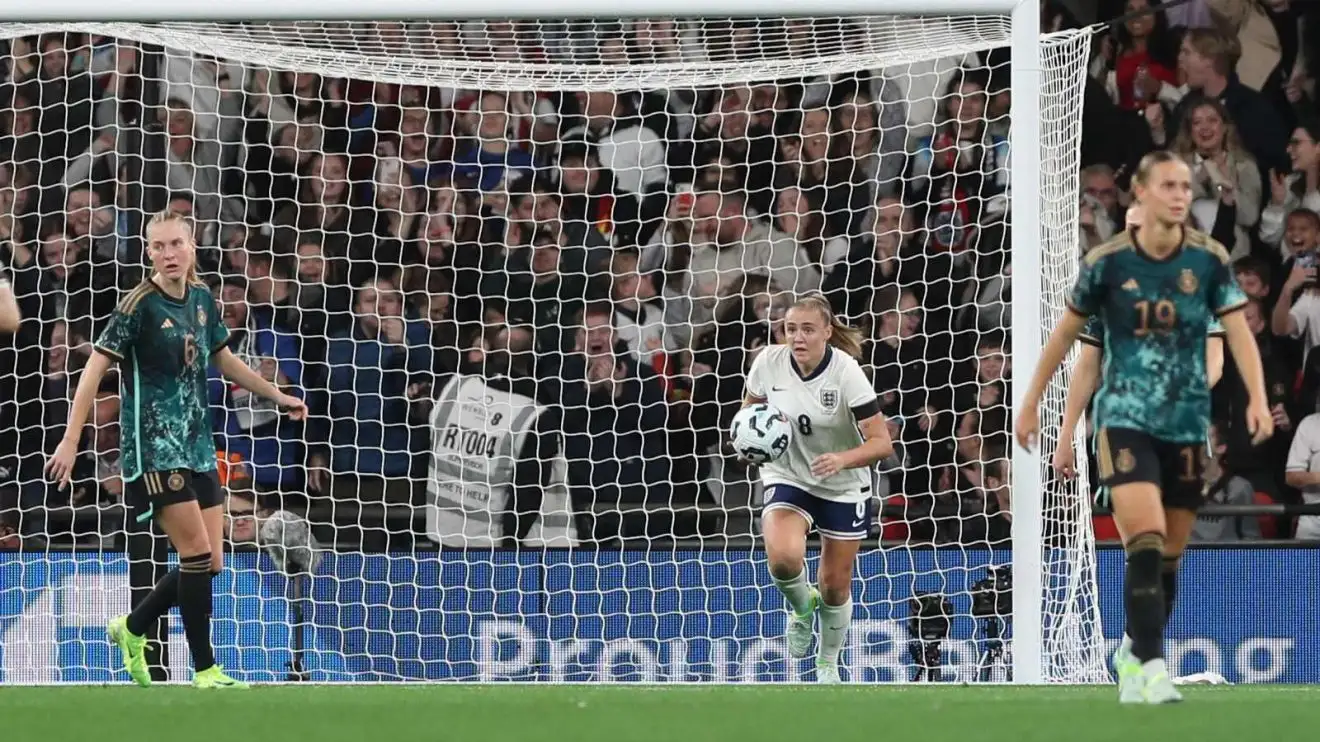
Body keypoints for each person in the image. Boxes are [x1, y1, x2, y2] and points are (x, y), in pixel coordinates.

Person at [1015, 150, 1272, 705]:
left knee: (1171, 554)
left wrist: (1255, 396)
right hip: (1122, 420)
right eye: (1171, 185)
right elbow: (1070, 347)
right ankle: (1151, 668)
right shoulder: (1108, 264)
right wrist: (1034, 405)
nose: (1182, 194)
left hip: (1182, 426)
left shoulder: (1207, 262)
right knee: (1147, 537)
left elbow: (1231, 341)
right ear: (1141, 194)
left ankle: (1133, 648)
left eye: (1187, 186)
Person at [45, 208, 307, 689]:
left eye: (175, 244)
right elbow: (92, 372)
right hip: (153, 448)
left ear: (192, 249)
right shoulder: (137, 306)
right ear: (148, 252)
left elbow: (223, 358)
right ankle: (205, 669)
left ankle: (131, 626)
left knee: (212, 562)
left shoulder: (203, 298)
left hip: (197, 442)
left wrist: (277, 395)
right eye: (158, 246)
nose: (167, 254)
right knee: (194, 553)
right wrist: (70, 438)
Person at [742, 292, 893, 683]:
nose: (798, 337)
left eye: (808, 329)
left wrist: (842, 459)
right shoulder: (768, 363)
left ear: (827, 331)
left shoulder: (845, 372)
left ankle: (827, 662)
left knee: (834, 585)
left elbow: (882, 443)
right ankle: (800, 607)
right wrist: (749, 439)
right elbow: (749, 412)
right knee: (783, 559)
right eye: (791, 329)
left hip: (841, 483)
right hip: (788, 473)